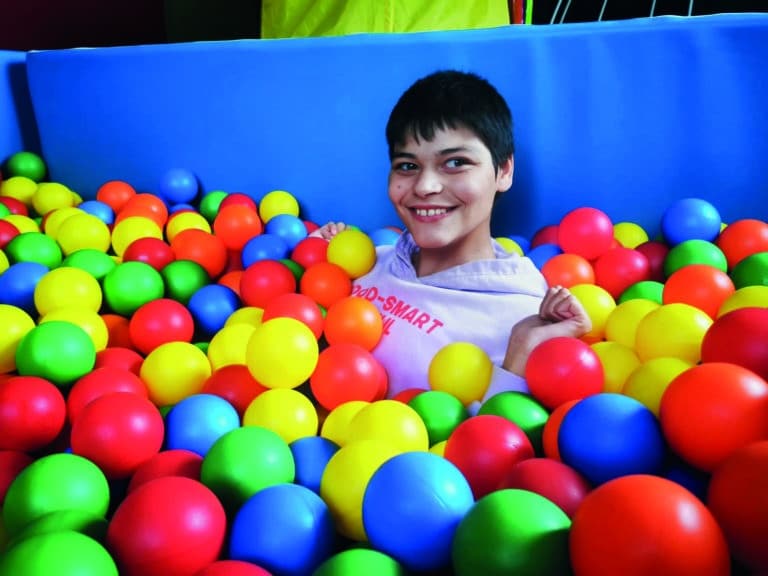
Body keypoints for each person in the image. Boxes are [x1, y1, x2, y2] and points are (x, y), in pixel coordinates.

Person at [312, 69, 591, 404]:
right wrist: (315, 259)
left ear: (504, 170)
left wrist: (515, 368)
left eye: (456, 162)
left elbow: (489, 447)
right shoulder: (373, 259)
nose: (426, 186)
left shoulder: (525, 317)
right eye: (407, 166)